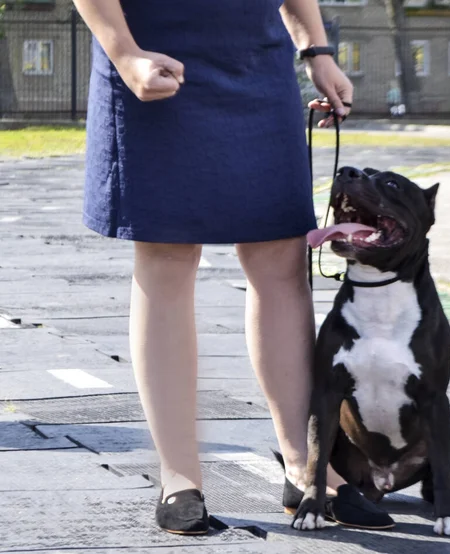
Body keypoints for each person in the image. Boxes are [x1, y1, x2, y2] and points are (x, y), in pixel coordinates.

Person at [73, 0, 393, 536]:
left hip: (257, 64)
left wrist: (316, 49)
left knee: (280, 255)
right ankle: (179, 477)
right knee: (168, 255)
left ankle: (305, 467)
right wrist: (124, 53)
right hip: (150, 54)